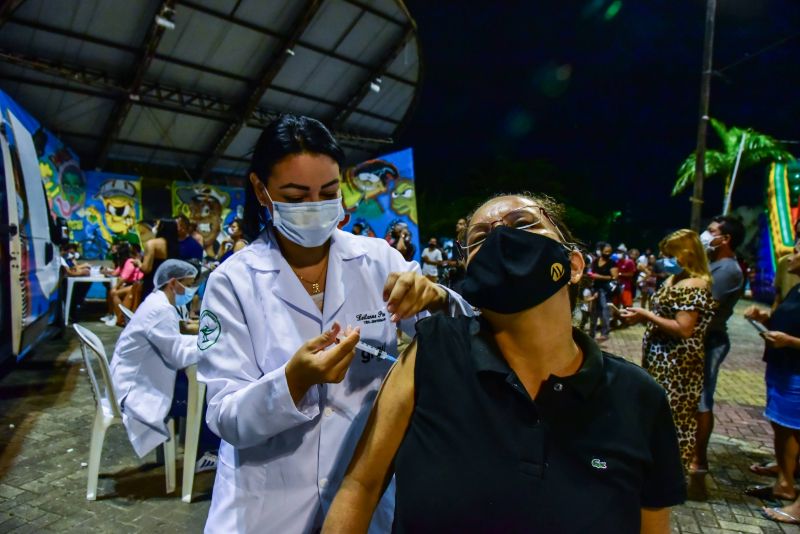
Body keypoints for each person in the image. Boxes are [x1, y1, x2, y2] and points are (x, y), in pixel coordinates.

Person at [323, 193, 686, 533]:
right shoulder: (433, 352)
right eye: (480, 237)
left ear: (573, 265)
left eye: (524, 224)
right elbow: (361, 485)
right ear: (470, 273)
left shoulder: (638, 397)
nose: (500, 235)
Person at [197, 114, 471, 533]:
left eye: (327, 192)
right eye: (295, 194)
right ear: (261, 190)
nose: (314, 207)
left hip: (364, 501)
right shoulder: (232, 282)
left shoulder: (378, 260)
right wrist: (291, 382)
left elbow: (463, 341)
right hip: (267, 508)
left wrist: (435, 297)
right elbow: (224, 416)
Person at [621, 230, 716, 470]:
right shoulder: (674, 279)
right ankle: (653, 465)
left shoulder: (694, 285)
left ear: (686, 253)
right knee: (656, 410)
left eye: (669, 254)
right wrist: (639, 318)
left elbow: (683, 329)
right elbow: (664, 317)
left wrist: (646, 315)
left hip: (678, 363)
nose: (665, 260)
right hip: (660, 357)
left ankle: (670, 471)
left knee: (674, 414)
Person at [109, 260, 211, 459]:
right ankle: (206, 455)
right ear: (173, 283)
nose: (191, 290)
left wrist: (202, 342)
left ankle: (202, 452)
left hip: (133, 380)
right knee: (208, 395)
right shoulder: (161, 311)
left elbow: (174, 342)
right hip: (136, 391)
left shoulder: (156, 302)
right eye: (188, 284)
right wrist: (210, 347)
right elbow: (178, 356)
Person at [743, 239, 800, 516]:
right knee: (782, 427)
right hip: (783, 365)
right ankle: (785, 484)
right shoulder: (797, 288)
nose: (791, 258)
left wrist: (790, 341)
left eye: (798, 252)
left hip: (796, 371)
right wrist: (765, 319)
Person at [691, 215, 744, 474]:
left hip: (709, 341)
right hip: (697, 339)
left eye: (711, 231)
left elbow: (702, 305)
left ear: (725, 239)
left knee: (702, 399)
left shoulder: (728, 270)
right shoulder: (714, 264)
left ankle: (699, 459)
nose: (706, 234)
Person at [136, 219, 180, 296]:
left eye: (157, 225)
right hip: (167, 285)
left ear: (162, 227)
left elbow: (146, 269)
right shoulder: (175, 246)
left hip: (151, 283)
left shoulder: (152, 244)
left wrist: (138, 263)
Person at [588, 242, 618, 342]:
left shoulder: (612, 263)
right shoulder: (595, 261)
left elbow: (614, 277)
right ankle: (591, 333)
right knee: (593, 312)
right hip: (594, 289)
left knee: (604, 311)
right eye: (606, 251)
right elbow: (591, 272)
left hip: (605, 290)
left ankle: (605, 333)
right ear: (600, 251)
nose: (608, 253)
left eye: (609, 251)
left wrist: (599, 277)